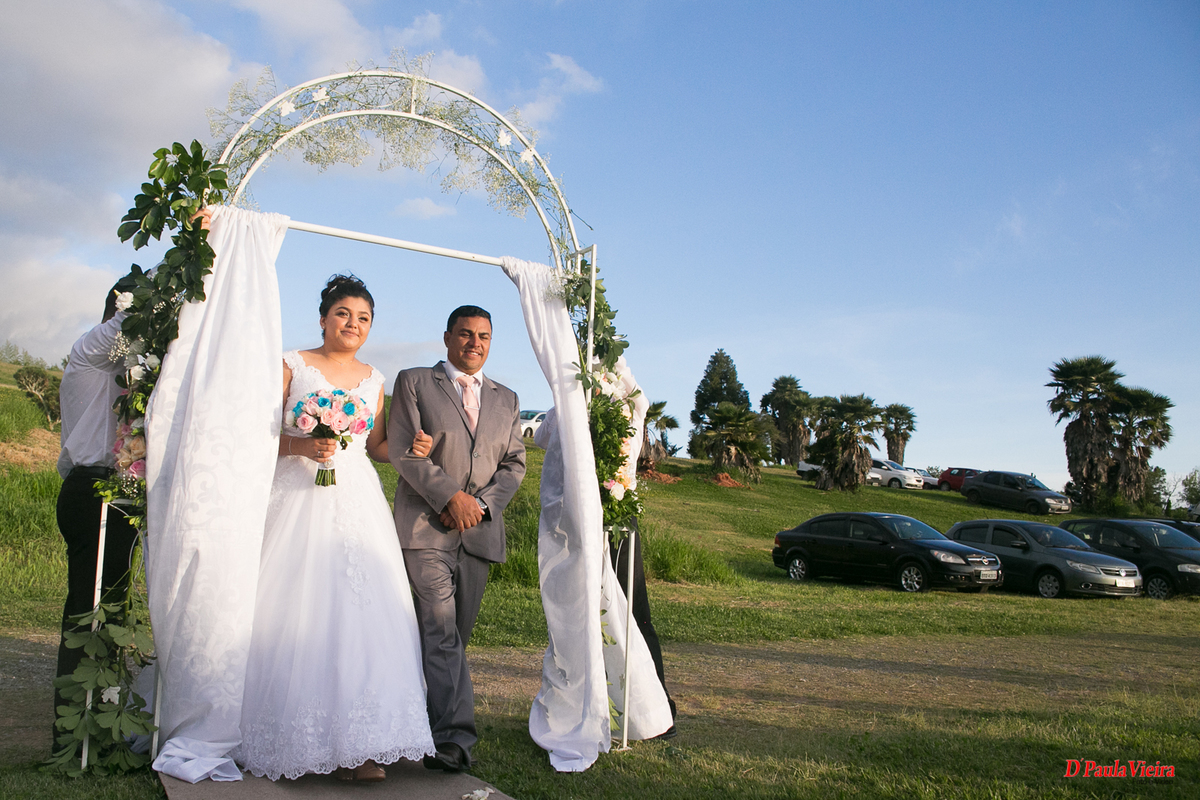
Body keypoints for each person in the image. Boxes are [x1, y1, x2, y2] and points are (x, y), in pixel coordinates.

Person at [234, 275, 436, 783]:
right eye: (344, 314)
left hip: (355, 495)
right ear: (323, 317)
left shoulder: (374, 377)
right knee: (291, 603)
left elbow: (376, 445)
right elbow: (253, 434)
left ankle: (362, 746)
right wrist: (301, 447)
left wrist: (412, 452)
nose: (353, 325)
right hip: (295, 492)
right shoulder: (291, 364)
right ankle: (287, 736)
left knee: (362, 612)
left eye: (364, 318)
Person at [389, 306, 526, 773]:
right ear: (447, 337)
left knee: (453, 639)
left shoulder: (507, 399)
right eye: (465, 334)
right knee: (441, 628)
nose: (474, 343)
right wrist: (450, 496)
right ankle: (455, 742)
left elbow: (515, 465)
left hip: (481, 534)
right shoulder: (414, 382)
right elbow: (404, 452)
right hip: (425, 529)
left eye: (483, 336)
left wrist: (482, 505)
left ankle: (420, 722)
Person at [52, 270, 143, 748]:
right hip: (92, 491)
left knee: (111, 609)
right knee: (87, 613)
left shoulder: (138, 368)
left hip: (121, 494)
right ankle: (73, 733)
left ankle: (104, 719)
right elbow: (128, 325)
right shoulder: (91, 348)